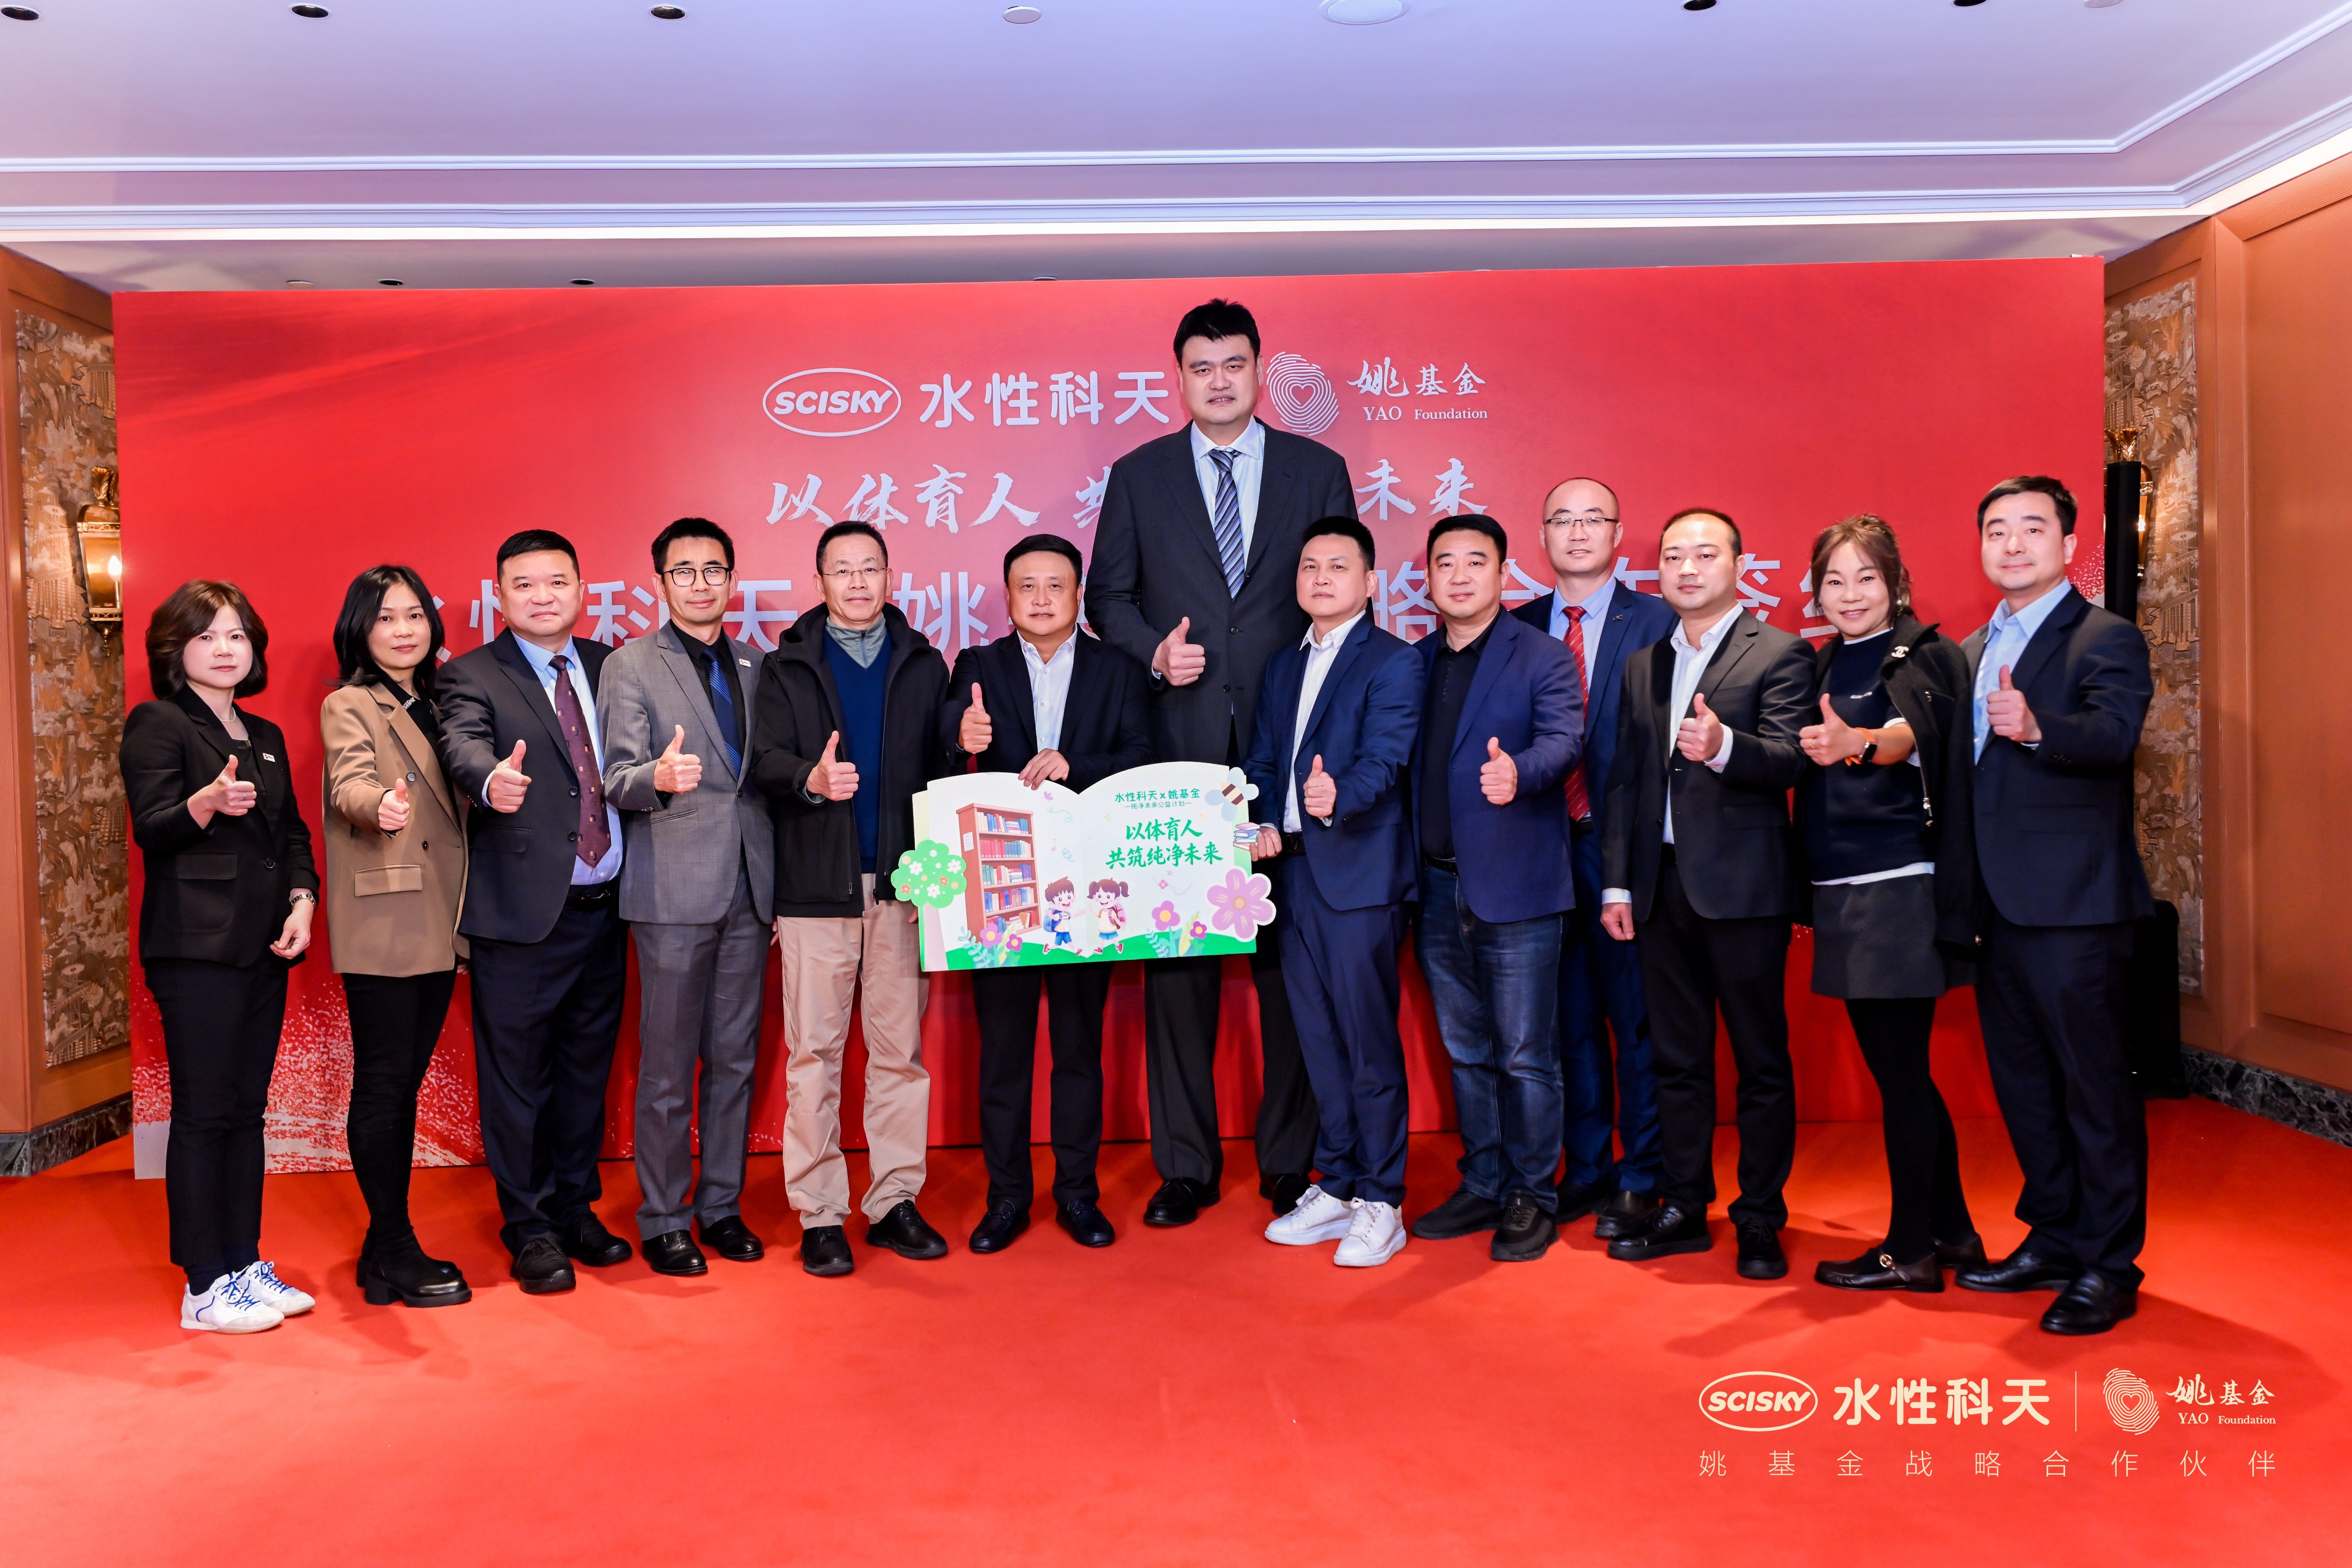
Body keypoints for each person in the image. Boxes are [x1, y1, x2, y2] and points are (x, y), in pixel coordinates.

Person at [1083, 298, 1357, 1227]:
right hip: (1179, 748)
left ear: (1260, 369)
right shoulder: (1140, 474)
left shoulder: (1318, 469)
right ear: (1180, 378)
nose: (1219, 380)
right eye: (1201, 367)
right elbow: (1107, 597)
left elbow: (1340, 586)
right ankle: (1186, 1166)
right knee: (1180, 962)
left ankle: (1289, 1159)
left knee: (1292, 963)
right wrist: (1155, 652)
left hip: (1291, 743)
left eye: (1234, 363)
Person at [1951, 476, 2154, 1336]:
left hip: (2074, 906)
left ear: (2069, 545)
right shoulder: (1969, 648)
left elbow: (2115, 737)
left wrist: (2039, 728)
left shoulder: (2105, 636)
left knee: (2093, 1089)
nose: (2013, 544)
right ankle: (2056, 1236)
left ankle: (2110, 1264)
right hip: (1992, 906)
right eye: (1997, 529)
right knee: (2026, 1085)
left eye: (2032, 528)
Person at [1598, 508, 1813, 1281]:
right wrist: (1618, 880)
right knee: (1677, 1060)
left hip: (1744, 890)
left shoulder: (1780, 652)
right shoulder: (1644, 663)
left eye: (1705, 554)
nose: (1687, 569)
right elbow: (1625, 781)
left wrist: (1725, 748)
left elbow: (1792, 759)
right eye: (1673, 556)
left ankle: (1760, 1218)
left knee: (1760, 1061)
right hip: (1659, 886)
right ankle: (1686, 1205)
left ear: (1739, 565)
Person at [938, 534, 1153, 1254]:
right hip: (1003, 887)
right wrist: (961, 731)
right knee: (1003, 1053)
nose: (1040, 598)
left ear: (1079, 594)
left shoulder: (1117, 669)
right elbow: (946, 732)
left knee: (1078, 1049)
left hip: (1085, 887)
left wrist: (1074, 764)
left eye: (1055, 585)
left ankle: (1077, 1195)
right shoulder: (979, 665)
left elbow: (1142, 757)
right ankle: (1006, 1199)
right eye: (1026, 586)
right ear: (1007, 597)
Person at [752, 519, 953, 1277]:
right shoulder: (787, 665)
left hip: (904, 886)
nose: (859, 582)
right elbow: (763, 762)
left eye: (871, 568)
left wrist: (967, 737)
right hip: (816, 888)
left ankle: (895, 1200)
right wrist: (809, 777)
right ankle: (821, 1212)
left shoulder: (923, 662)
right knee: (815, 1055)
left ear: (891, 577)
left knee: (899, 1055)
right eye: (843, 570)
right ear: (820, 581)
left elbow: (944, 765)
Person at [1791, 517, 1985, 1293]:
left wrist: (1861, 744)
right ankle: (1954, 1231)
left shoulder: (1924, 652)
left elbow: (1915, 734)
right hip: (1840, 887)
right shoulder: (1820, 660)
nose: (1850, 594)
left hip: (1899, 886)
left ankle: (1909, 1249)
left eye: (1866, 578)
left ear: (1896, 583)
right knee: (1901, 1071)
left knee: (1901, 1074)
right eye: (1834, 581)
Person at [439, 530, 633, 1296]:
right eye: (524, 584)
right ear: (500, 595)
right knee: (518, 1081)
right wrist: (491, 782)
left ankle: (576, 1210)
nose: (543, 596)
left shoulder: (613, 666)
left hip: (607, 909)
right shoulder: (470, 674)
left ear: (582, 587)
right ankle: (529, 1228)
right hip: (521, 917)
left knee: (586, 1074)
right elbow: (462, 746)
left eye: (557, 581)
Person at [121, 581, 319, 1332]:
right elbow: (152, 826)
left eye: (236, 635)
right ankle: (203, 1286)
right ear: (177, 651)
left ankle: (242, 1262)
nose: (225, 649)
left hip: (264, 945)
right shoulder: (160, 722)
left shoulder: (262, 732)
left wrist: (303, 900)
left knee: (247, 1110)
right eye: (206, 637)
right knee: (205, 1115)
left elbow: (291, 833)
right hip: (196, 949)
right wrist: (204, 803)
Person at [1243, 518, 1425, 1267]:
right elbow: (1260, 759)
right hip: (1290, 875)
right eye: (1310, 566)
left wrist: (1336, 794)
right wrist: (1260, 815)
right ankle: (1341, 1182)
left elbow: (1387, 758)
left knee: (1367, 1043)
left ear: (1371, 582)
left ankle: (1384, 1198)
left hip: (1359, 877)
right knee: (1319, 1041)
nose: (1321, 578)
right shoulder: (1283, 665)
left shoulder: (1394, 661)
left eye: (1339, 566)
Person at [599, 519, 776, 1277]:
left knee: (735, 1060)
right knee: (669, 1067)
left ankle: (722, 1207)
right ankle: (665, 1218)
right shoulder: (631, 664)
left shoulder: (759, 664)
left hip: (751, 886)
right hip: (672, 889)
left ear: (733, 580)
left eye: (714, 571)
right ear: (659, 583)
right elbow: (616, 778)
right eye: (684, 571)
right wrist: (657, 779)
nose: (700, 584)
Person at [1405, 516, 1583, 1263]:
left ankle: (1532, 1195)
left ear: (1505, 574)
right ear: (1428, 579)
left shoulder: (1541, 653)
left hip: (1518, 888)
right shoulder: (1414, 662)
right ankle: (1483, 1182)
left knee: (1524, 1055)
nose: (1459, 576)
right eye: (1444, 563)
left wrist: (1522, 772)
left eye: (1476, 562)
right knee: (1467, 1051)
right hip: (1435, 888)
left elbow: (1565, 740)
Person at [1510, 476, 1678, 1242]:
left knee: (1634, 1017)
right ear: (1542, 535)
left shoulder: (1662, 622)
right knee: (1566, 1019)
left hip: (1626, 853)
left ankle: (1643, 1173)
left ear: (1617, 533)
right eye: (1562, 520)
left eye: (1593, 519)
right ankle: (1587, 1166)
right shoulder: (1516, 627)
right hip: (1540, 850)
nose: (1577, 532)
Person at [319, 565, 472, 1308]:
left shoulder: (443, 702)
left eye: (415, 615)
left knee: (403, 1082)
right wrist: (376, 803)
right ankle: (396, 1243)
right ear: (361, 629)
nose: (404, 630)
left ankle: (381, 1254)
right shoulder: (351, 702)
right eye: (386, 618)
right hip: (389, 914)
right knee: (385, 1083)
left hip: (444, 915)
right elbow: (349, 780)